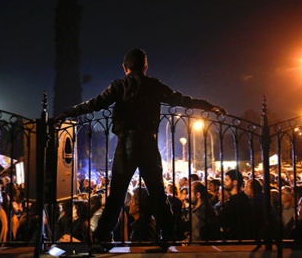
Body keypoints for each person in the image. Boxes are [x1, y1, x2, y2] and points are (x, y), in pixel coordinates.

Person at [54, 48, 226, 248]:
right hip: (148, 143)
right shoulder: (154, 85)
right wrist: (208, 105)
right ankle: (168, 235)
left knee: (117, 194)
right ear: (145, 67)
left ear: (124, 68)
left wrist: (68, 113)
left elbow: (94, 104)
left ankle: (102, 236)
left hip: (126, 143)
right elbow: (181, 99)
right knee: (158, 193)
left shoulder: (119, 85)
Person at [218, 169, 252, 240]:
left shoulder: (236, 201)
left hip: (235, 238)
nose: (224, 182)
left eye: (227, 180)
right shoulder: (241, 197)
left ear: (235, 182)